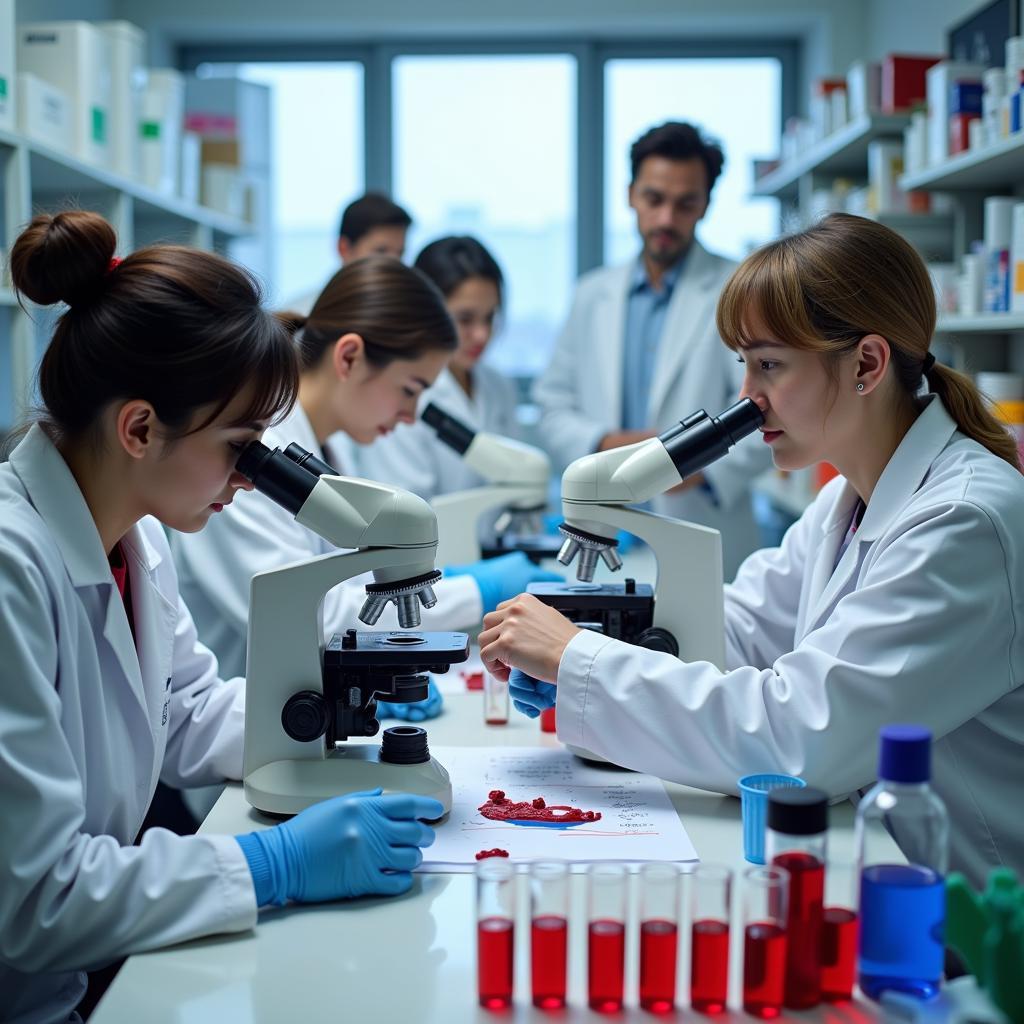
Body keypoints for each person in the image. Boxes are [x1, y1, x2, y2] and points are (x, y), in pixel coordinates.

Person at [480, 213, 1024, 888]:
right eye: (744, 366)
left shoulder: (961, 520)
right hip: (877, 861)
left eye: (769, 365)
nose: (748, 399)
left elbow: (801, 740)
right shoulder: (846, 500)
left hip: (968, 917)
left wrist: (577, 659)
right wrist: (590, 646)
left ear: (867, 364)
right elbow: (734, 630)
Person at [0, 211, 443, 1023]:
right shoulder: (9, 568)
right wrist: (268, 864)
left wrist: (347, 726)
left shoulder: (137, 537)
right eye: (240, 445)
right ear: (139, 427)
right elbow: (35, 899)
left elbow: (185, 711)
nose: (248, 477)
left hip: (74, 980)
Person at [174, 255, 559, 717]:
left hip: (301, 713)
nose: (412, 415)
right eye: (410, 389)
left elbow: (354, 586)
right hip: (241, 736)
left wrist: (440, 584)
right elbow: (313, 618)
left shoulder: (334, 448)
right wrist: (479, 589)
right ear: (350, 356)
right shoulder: (251, 462)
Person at [533, 121, 772, 578]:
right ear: (630, 195)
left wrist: (695, 466)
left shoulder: (739, 288)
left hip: (701, 521)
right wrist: (605, 445)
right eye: (654, 199)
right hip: (603, 528)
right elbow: (551, 406)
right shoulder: (591, 294)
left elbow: (769, 406)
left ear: (706, 204)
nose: (666, 219)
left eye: (685, 204)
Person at [365, 235, 520, 501]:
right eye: (465, 319)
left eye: (490, 317)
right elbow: (407, 509)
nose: (482, 335)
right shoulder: (401, 393)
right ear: (428, 312)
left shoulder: (498, 387)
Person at [286, 192, 413, 316]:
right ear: (344, 248)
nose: (395, 263)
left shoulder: (408, 313)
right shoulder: (299, 319)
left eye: (400, 253)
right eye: (381, 251)